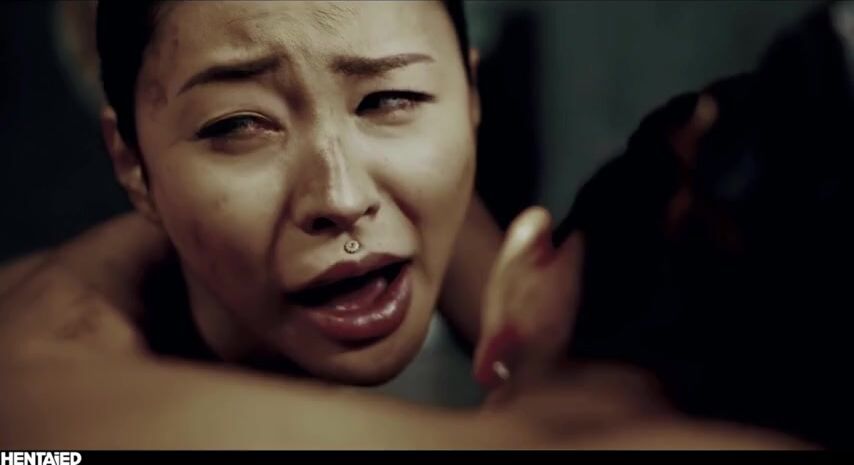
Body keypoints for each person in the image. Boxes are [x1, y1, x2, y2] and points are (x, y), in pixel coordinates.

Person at [0, 0, 803, 449]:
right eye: (238, 124)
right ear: (131, 161)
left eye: (390, 99)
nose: (343, 196)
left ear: (470, 98)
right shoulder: (47, 392)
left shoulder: (467, 248)